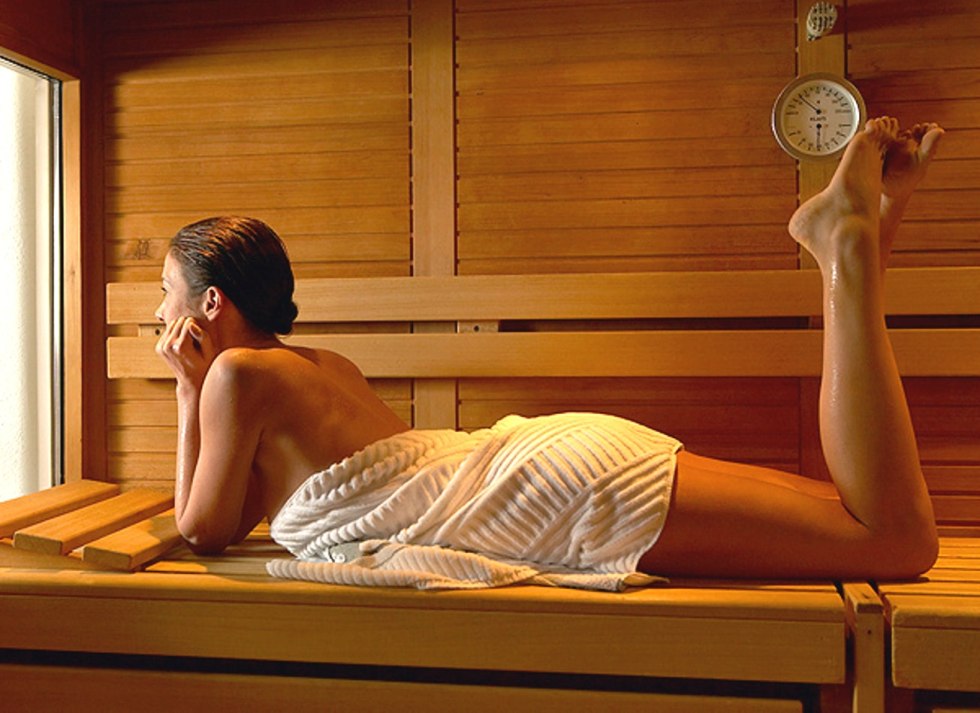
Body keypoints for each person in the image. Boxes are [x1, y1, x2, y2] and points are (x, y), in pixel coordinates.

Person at [156, 116, 943, 582]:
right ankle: (862, 241)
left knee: (891, 541)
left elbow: (201, 529)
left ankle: (847, 250)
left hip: (549, 494)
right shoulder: (319, 366)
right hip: (548, 464)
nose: (161, 312)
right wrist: (199, 389)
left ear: (211, 304)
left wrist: (189, 388)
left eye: (167, 291)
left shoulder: (237, 374)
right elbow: (232, 512)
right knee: (858, 519)